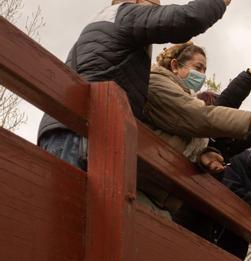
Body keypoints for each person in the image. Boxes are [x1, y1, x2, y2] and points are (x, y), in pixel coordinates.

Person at [38, 0, 233, 170]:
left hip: (70, 128)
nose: (157, 9)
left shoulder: (106, 23)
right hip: (82, 133)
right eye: (154, 5)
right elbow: (189, 18)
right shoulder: (126, 14)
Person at [140, 42, 251, 215]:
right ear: (174, 65)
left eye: (204, 70)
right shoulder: (157, 82)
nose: (202, 75)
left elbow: (188, 140)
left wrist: (204, 156)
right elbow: (201, 117)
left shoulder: (187, 98)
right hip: (144, 183)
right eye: (198, 67)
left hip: (161, 193)